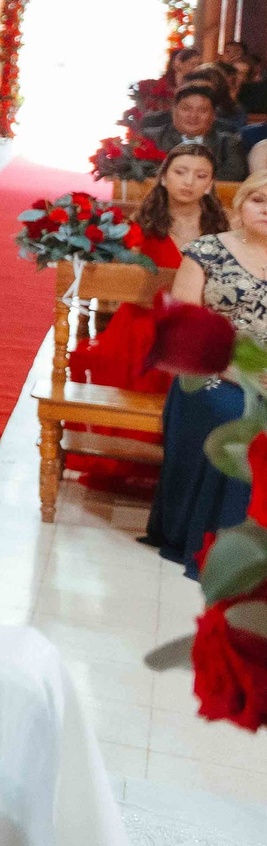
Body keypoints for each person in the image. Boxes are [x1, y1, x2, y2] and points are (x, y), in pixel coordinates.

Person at [150, 173, 267, 576]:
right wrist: (236, 371)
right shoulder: (207, 251)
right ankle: (215, 548)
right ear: (240, 205)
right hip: (210, 373)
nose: (266, 209)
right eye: (258, 200)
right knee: (239, 417)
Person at [76, 143, 222, 396]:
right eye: (180, 172)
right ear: (164, 177)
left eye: (200, 176)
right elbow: (120, 278)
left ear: (209, 184)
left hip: (199, 328)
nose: (189, 182)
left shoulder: (221, 229)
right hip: (142, 325)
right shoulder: (140, 224)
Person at [144, 82, 248, 179]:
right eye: (186, 109)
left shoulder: (228, 143)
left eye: (202, 110)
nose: (193, 116)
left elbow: (235, 175)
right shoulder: (153, 138)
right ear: (174, 111)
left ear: (213, 115)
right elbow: (145, 171)